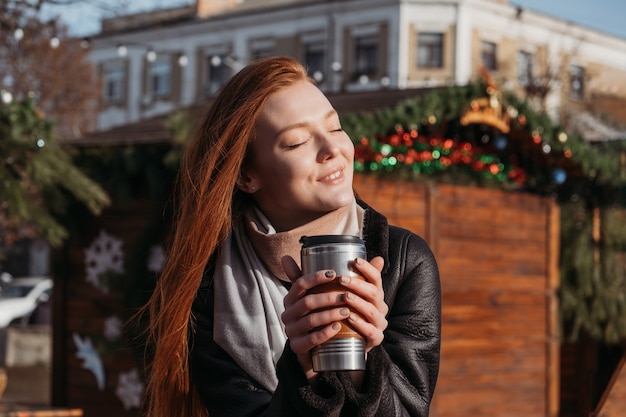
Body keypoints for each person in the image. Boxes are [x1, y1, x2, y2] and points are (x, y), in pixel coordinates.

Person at [141, 56, 441, 417]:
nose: (333, 150)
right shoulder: (210, 286)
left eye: (334, 128)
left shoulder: (405, 260)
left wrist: (364, 360)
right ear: (247, 176)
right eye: (297, 142)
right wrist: (304, 371)